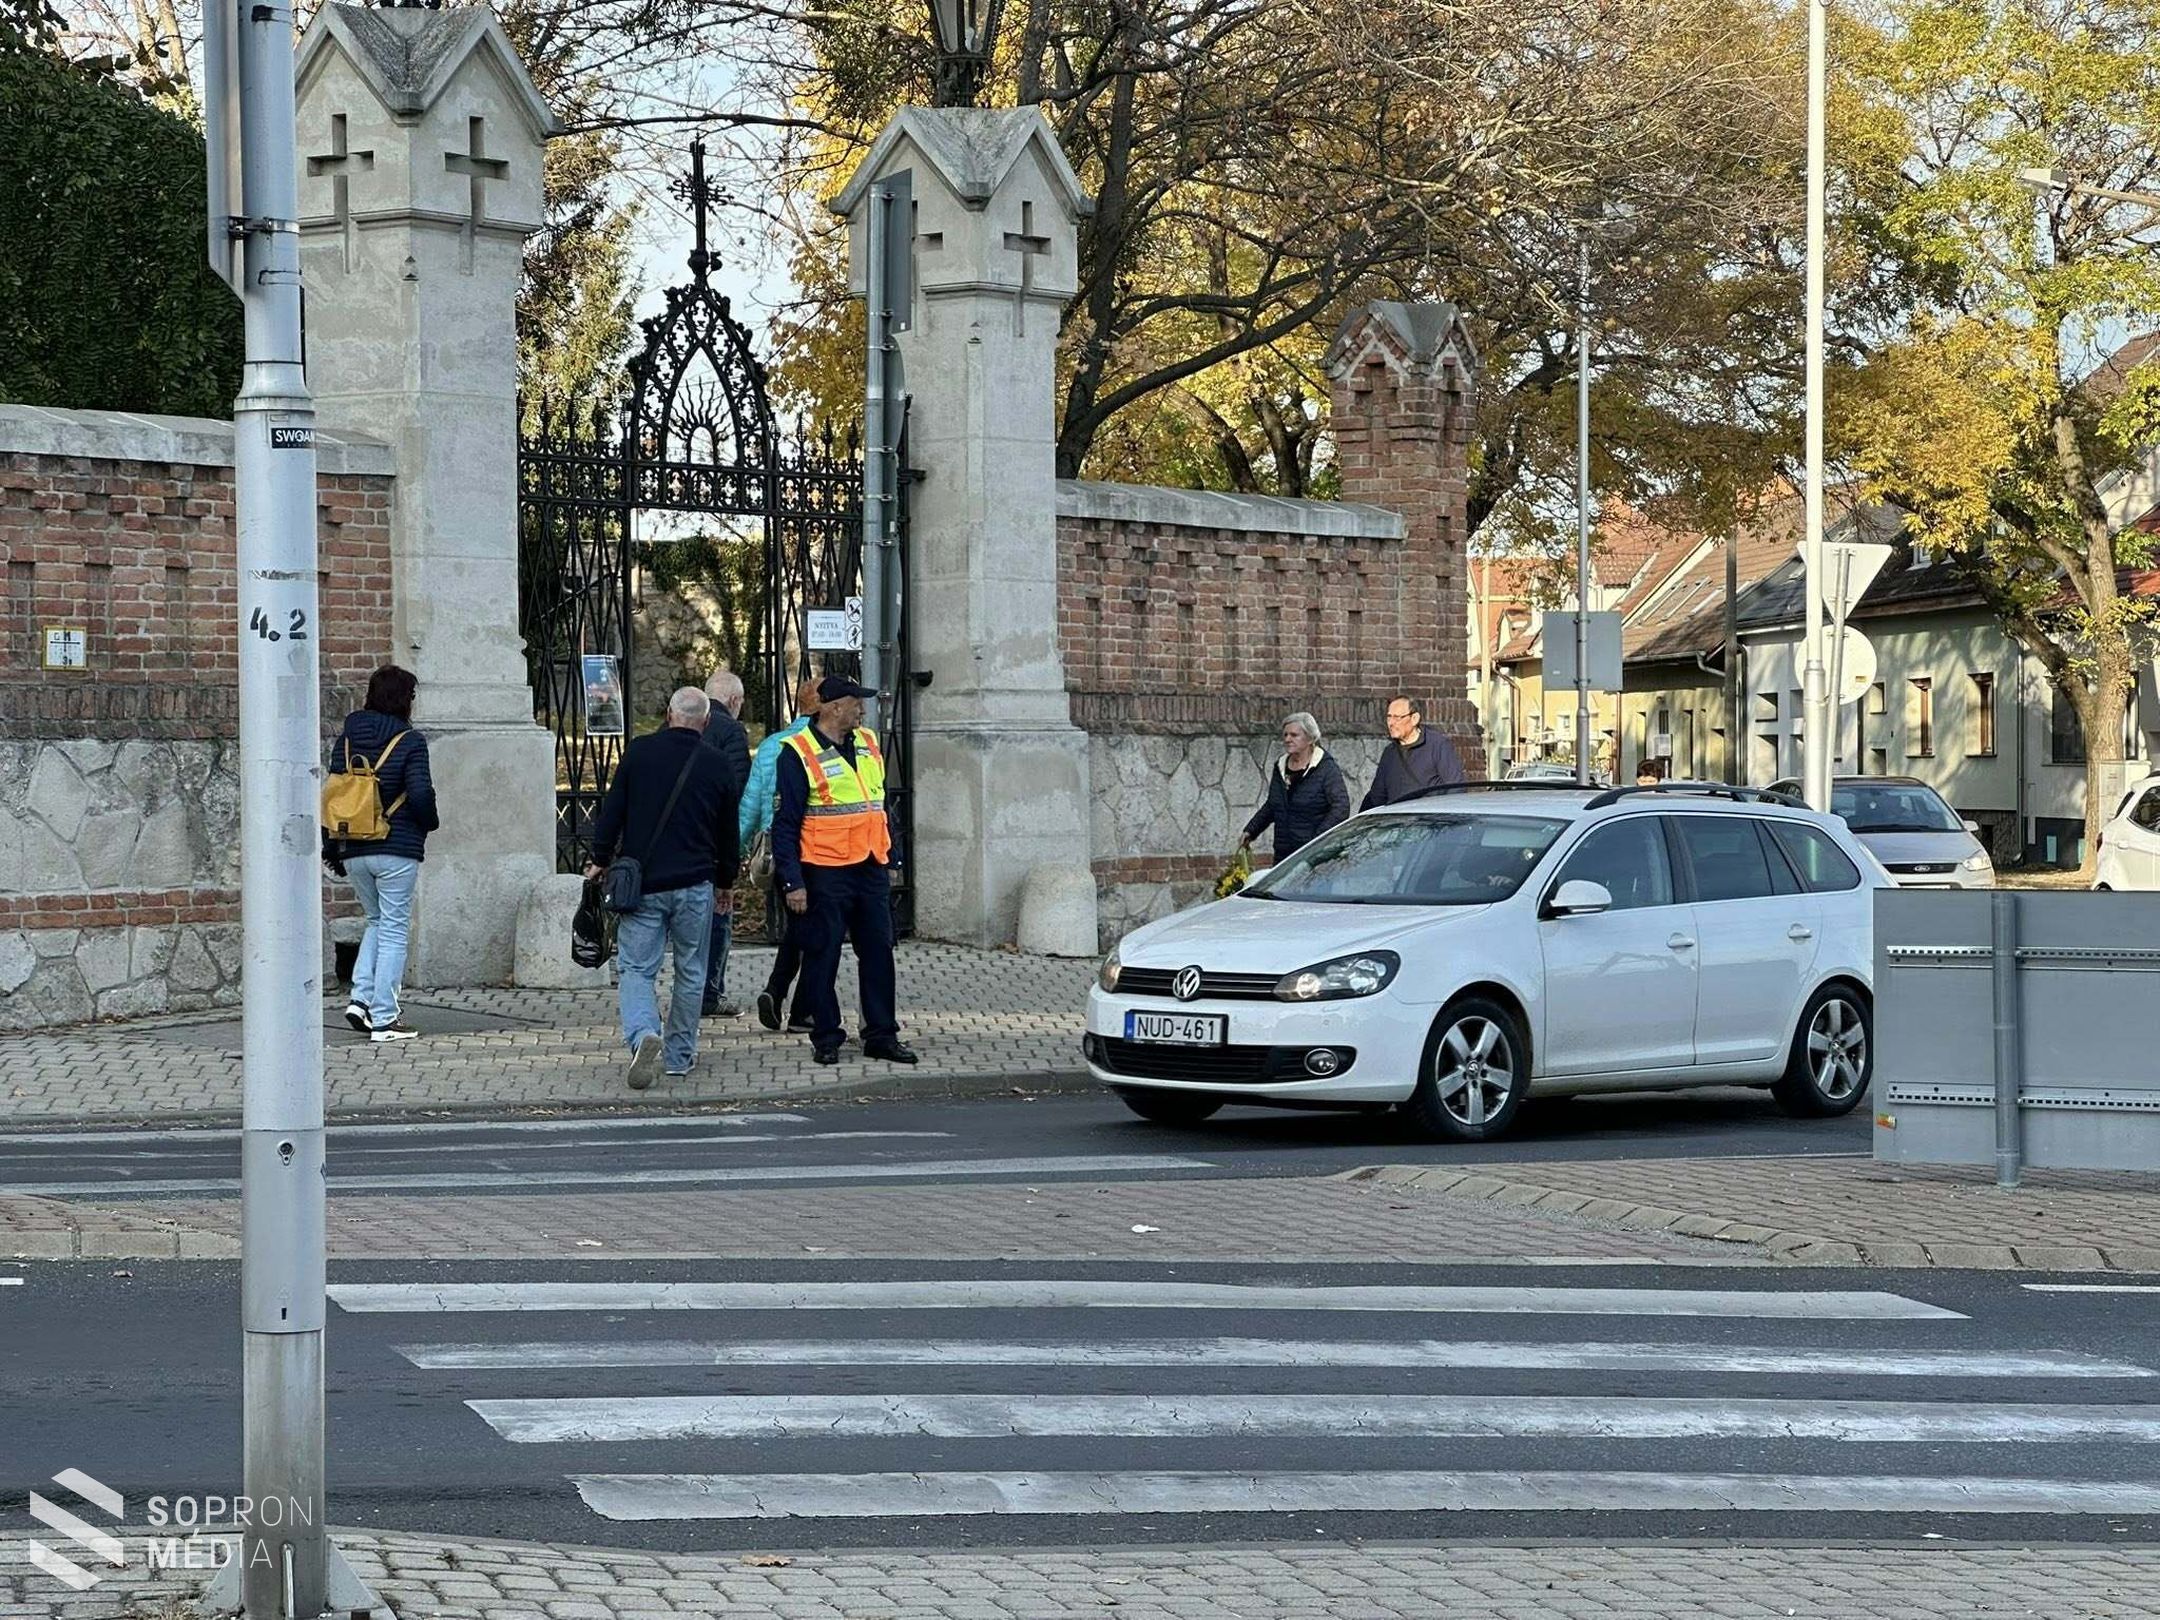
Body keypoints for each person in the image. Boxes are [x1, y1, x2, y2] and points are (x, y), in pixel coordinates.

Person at [585, 686, 741, 1091]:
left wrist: (600, 858)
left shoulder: (638, 753)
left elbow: (612, 812)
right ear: (706, 723)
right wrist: (726, 882)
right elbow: (729, 833)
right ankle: (678, 1056)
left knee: (637, 968)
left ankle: (641, 1035)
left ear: (669, 713)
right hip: (695, 884)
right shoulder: (717, 763)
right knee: (691, 970)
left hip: (644, 885)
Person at [772, 675, 916, 1067]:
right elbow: (785, 823)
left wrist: (892, 858)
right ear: (834, 707)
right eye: (857, 702)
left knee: (878, 953)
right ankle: (827, 1037)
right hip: (824, 870)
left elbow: (878, 806)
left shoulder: (868, 743)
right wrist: (792, 882)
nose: (863, 709)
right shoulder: (796, 752)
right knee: (823, 955)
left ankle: (881, 1035)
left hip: (869, 865)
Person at [330, 664, 439, 1043]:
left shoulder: (346, 738)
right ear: (402, 699)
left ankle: (359, 1000)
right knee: (393, 929)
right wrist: (429, 823)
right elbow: (421, 793)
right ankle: (385, 1018)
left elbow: (334, 793)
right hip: (397, 846)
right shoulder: (410, 741)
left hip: (354, 847)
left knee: (376, 921)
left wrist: (335, 847)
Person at [741, 676, 822, 1034]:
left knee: (798, 927)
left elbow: (751, 803)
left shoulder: (773, 744)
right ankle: (799, 1007)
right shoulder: (824, 744)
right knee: (814, 931)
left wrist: (740, 851)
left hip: (777, 849)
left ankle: (777, 992)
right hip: (819, 849)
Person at [698, 668, 753, 1019]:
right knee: (718, 917)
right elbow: (734, 788)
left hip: (675, 841)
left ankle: (690, 990)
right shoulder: (731, 730)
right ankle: (710, 993)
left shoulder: (682, 720)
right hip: (713, 842)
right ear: (734, 701)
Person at [1239, 711, 1350, 863]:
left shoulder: (1326, 768)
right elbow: (1273, 805)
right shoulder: (1280, 767)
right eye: (1285, 735)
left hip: (1315, 857)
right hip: (1283, 855)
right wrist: (1251, 830)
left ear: (1310, 738)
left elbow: (1341, 807)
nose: (1287, 739)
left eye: (1294, 735)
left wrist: (1318, 840)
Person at [1360, 694, 1466, 809]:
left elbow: (1456, 788)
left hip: (1430, 820)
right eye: (1389, 717)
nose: (1391, 723)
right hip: (1398, 821)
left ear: (1414, 719)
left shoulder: (1437, 745)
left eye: (1397, 717)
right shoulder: (1389, 753)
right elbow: (1377, 797)